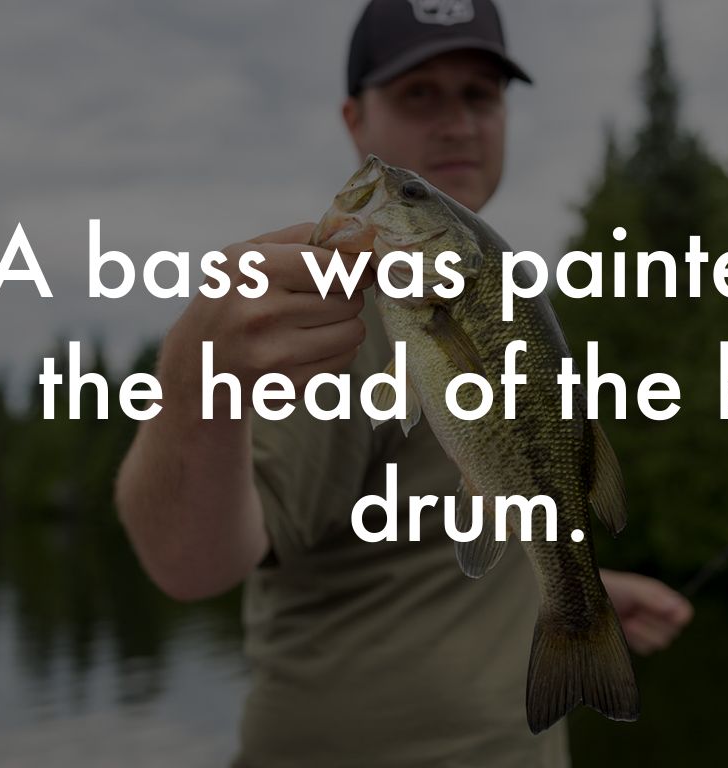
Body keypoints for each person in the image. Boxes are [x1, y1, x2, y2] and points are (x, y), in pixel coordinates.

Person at [115, 1, 693, 765]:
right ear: (355, 120)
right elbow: (190, 564)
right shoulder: (325, 322)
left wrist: (579, 585)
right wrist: (196, 379)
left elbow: (481, 495)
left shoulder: (508, 296)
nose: (458, 124)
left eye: (480, 94)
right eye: (420, 94)